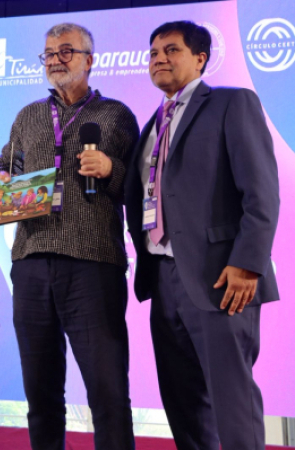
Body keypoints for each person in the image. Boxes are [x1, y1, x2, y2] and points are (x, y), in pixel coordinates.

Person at [124, 21, 279, 450]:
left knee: (232, 402)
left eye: (171, 50)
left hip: (221, 276)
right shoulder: (152, 124)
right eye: (153, 53)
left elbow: (261, 193)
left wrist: (247, 263)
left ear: (200, 59)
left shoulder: (231, 103)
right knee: (183, 403)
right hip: (162, 277)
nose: (159, 58)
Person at [0, 23, 139, 450]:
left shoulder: (116, 115)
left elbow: (139, 186)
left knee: (108, 392)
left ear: (90, 60)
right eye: (49, 53)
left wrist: (111, 169)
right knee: (40, 394)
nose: (55, 59)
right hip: (31, 261)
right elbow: (4, 164)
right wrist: (1, 178)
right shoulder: (28, 115)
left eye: (66, 51)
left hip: (93, 264)